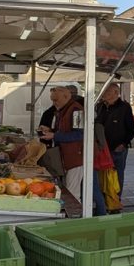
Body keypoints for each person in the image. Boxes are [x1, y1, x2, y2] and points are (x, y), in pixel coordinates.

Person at [41, 86, 106, 215]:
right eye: (53, 101)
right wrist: (51, 131)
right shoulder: (64, 109)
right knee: (73, 189)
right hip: (70, 156)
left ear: (66, 97)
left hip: (77, 157)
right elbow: (67, 131)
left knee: (72, 191)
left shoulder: (76, 111)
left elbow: (80, 134)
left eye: (56, 100)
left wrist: (55, 135)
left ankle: (74, 217)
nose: (54, 103)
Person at [95, 83, 134, 204]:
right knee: (102, 175)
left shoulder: (124, 107)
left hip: (117, 148)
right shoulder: (100, 106)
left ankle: (115, 200)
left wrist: (123, 144)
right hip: (102, 148)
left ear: (116, 93)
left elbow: (131, 129)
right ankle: (104, 200)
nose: (104, 94)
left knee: (117, 175)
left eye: (107, 92)